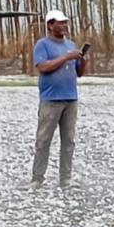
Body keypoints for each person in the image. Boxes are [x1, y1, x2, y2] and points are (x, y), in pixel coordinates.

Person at [29, 10, 87, 190]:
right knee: (43, 140)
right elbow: (43, 67)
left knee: (68, 140)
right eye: (60, 23)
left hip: (70, 99)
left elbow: (79, 72)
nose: (64, 26)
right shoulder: (42, 45)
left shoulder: (70, 44)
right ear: (50, 25)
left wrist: (83, 60)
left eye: (65, 23)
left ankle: (66, 179)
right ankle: (37, 179)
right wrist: (66, 57)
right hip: (50, 99)